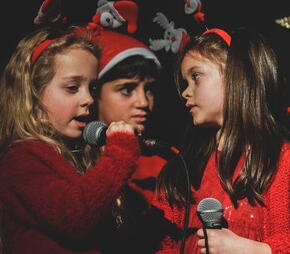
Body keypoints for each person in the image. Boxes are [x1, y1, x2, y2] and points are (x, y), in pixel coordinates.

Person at [0, 26, 143, 253]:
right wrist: (120, 152)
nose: (88, 99)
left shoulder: (79, 156)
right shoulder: (20, 158)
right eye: (72, 88)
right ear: (33, 96)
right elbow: (73, 216)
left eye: (92, 87)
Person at [150, 27, 290, 253]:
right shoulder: (182, 170)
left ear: (237, 74)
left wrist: (256, 250)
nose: (186, 92)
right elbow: (161, 245)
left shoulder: (280, 162)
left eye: (196, 77)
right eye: (185, 82)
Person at [87, 26, 168, 252]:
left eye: (149, 89)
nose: (143, 101)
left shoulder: (162, 163)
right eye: (127, 89)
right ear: (93, 93)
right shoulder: (63, 157)